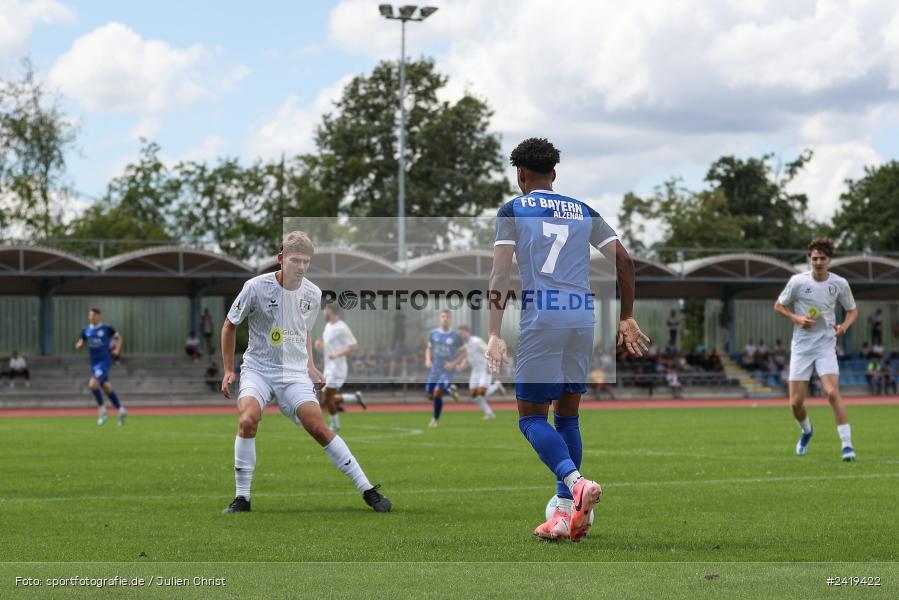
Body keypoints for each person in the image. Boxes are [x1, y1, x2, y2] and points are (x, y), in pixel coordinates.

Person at [485, 137, 649, 542]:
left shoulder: (512, 211)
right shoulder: (583, 210)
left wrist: (492, 332)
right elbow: (625, 261)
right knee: (568, 416)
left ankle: (576, 484)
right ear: (553, 174)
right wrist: (626, 315)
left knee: (530, 418)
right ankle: (563, 514)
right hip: (582, 316)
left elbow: (500, 276)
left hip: (543, 316)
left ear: (521, 175)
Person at [220, 231, 390, 513]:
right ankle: (242, 498)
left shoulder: (313, 293)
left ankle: (367, 490)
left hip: (294, 372)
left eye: (306, 262)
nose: (301, 267)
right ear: (281, 259)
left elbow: (305, 331)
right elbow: (229, 325)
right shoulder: (255, 287)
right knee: (248, 420)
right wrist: (228, 369)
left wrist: (310, 366)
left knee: (318, 428)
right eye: (295, 260)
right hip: (258, 370)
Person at [774, 237, 859, 462]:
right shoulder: (797, 281)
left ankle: (847, 446)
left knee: (831, 392)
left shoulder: (839, 284)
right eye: (814, 258)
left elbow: (852, 311)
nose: (818, 262)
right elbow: (778, 305)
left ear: (829, 260)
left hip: (825, 344)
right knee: (795, 403)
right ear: (809, 259)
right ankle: (806, 431)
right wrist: (796, 318)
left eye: (822, 258)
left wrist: (844, 327)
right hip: (801, 347)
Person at [316, 302, 367, 433]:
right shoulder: (328, 326)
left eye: (325, 308)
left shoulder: (342, 327)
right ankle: (354, 398)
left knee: (326, 398)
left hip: (337, 368)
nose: (323, 311)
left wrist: (337, 354)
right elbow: (327, 345)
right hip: (328, 368)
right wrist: (319, 345)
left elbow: (354, 346)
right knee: (325, 399)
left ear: (331, 311)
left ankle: (335, 426)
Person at [75, 308, 127, 426]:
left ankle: (102, 411)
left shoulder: (107, 328)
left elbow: (118, 338)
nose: (91, 317)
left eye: (93, 315)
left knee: (92, 384)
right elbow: (81, 341)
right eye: (90, 316)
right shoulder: (86, 330)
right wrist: (79, 344)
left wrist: (117, 349)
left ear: (99, 316)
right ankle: (121, 410)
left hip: (104, 362)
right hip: (94, 363)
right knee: (107, 389)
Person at [424, 309, 466, 427]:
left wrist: (453, 363)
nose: (445, 319)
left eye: (447, 317)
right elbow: (429, 348)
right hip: (435, 370)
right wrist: (428, 359)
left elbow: (464, 353)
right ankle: (450, 391)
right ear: (440, 318)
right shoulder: (433, 333)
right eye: (443, 317)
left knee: (437, 393)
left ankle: (435, 420)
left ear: (450, 319)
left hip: (447, 371)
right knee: (429, 394)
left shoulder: (456, 335)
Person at [457, 325, 503, 420]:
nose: (461, 335)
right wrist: (462, 365)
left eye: (462, 333)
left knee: (481, 392)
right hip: (475, 370)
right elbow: (468, 358)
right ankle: (489, 414)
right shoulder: (464, 345)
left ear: (467, 332)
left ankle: (496, 386)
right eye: (459, 333)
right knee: (474, 395)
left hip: (484, 368)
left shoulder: (476, 341)